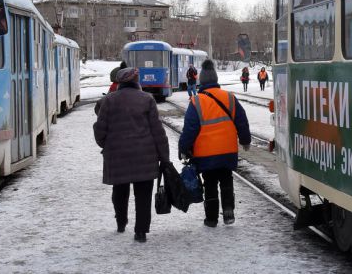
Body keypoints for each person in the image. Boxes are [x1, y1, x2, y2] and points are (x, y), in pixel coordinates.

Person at [93, 67, 170, 243]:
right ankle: (141, 232)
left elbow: (100, 130)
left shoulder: (109, 100)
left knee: (120, 190)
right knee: (143, 195)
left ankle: (121, 222)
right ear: (137, 81)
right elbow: (158, 132)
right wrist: (164, 157)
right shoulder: (147, 99)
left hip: (118, 156)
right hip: (145, 156)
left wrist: (107, 145)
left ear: (120, 82)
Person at [178, 59, 251, 227]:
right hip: (227, 151)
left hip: (205, 154)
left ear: (201, 81)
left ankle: (211, 219)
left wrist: (183, 148)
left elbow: (189, 129)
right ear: (216, 79)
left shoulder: (196, 102)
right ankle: (228, 212)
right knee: (226, 179)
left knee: (209, 184)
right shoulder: (229, 97)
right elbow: (242, 121)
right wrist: (245, 140)